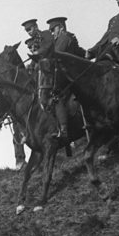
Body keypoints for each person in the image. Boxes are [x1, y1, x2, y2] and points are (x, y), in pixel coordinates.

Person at [44, 17, 85, 149]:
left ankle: (64, 131)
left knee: (57, 96)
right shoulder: (61, 39)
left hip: (70, 75)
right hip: (67, 74)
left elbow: (57, 54)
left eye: (53, 29)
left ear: (61, 27)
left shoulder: (64, 37)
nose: (52, 33)